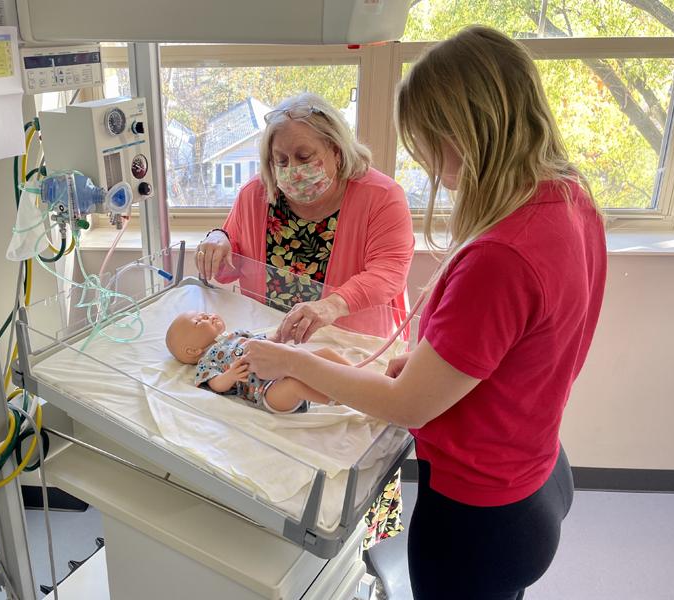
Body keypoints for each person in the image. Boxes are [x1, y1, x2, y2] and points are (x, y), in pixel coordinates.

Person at [241, 26, 606, 600]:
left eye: (431, 145)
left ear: (470, 130)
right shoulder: (567, 198)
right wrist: (416, 362)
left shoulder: (500, 255)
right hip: (538, 473)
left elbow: (410, 405)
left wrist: (295, 362)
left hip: (480, 518)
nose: (433, 169)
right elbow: (517, 346)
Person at [195, 92, 414, 549]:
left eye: (304, 155)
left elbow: (390, 271)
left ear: (336, 150)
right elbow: (232, 247)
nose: (292, 168)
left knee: (349, 458)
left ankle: (358, 553)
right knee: (281, 453)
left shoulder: (380, 197)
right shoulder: (258, 196)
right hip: (278, 346)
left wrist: (331, 305)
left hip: (355, 346)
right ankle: (272, 538)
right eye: (280, 158)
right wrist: (216, 239)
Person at [165, 310, 349, 414]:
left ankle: (357, 375)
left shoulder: (237, 334)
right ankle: (338, 399)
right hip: (266, 390)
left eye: (205, 313)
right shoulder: (207, 360)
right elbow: (215, 384)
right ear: (192, 350)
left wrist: (278, 338)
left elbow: (264, 345)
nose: (208, 316)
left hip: (285, 366)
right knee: (294, 385)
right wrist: (230, 376)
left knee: (325, 353)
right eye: (199, 321)